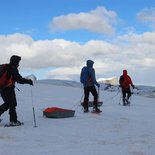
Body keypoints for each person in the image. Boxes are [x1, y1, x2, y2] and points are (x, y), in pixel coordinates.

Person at [0, 55, 33, 126]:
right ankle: (13, 121)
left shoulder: (5, 67)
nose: (18, 63)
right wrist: (28, 81)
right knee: (12, 104)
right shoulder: (12, 68)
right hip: (8, 88)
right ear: (15, 61)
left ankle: (13, 120)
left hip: (2, 88)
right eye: (18, 61)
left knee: (8, 103)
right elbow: (19, 79)